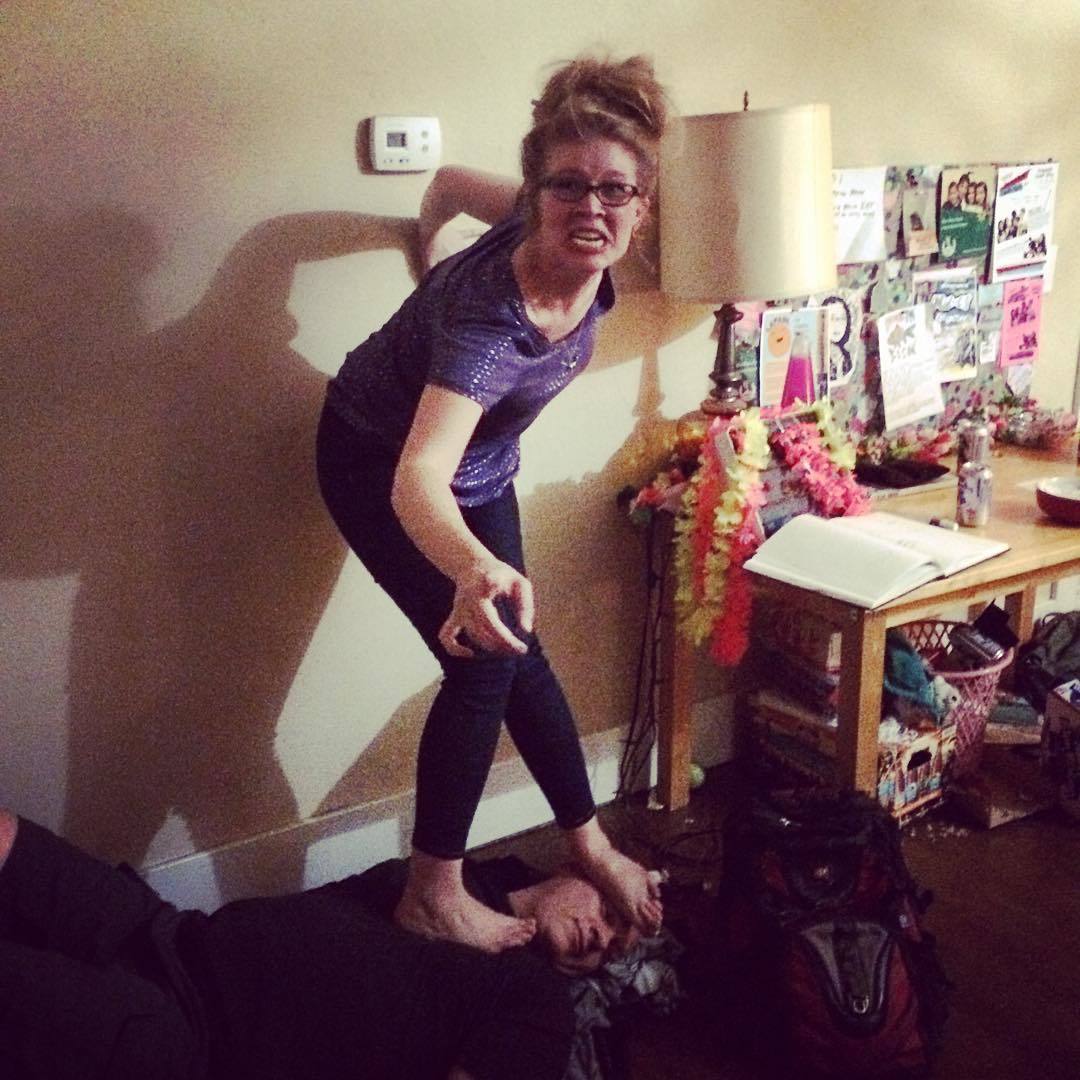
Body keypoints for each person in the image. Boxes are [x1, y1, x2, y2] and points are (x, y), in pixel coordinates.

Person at [316, 53, 671, 954]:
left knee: (519, 650)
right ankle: (431, 893)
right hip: (374, 458)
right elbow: (415, 478)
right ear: (538, 191)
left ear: (641, 206)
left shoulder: (539, 214)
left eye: (615, 189)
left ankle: (587, 844)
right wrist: (474, 568)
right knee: (482, 659)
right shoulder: (488, 327)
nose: (591, 206)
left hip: (479, 464)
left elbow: (442, 185)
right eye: (568, 186)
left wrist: (424, 247)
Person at [0, 807, 648, 1079]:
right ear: (578, 867)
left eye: (613, 950)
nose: (605, 937)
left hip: (192, 1037)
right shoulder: (442, 880)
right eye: (612, 912)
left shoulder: (537, 1003)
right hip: (168, 932)